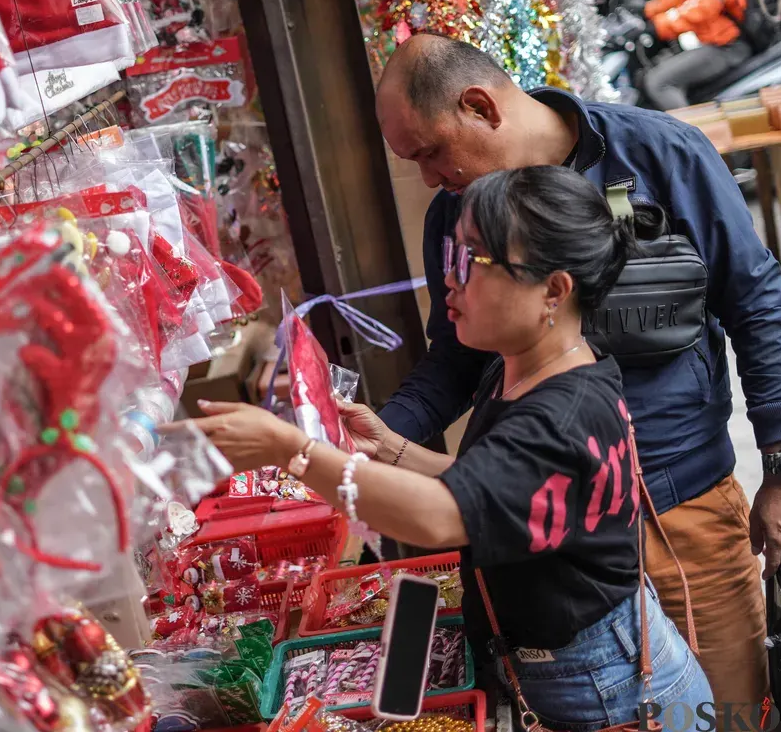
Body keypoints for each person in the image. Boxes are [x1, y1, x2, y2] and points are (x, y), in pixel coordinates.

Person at [164, 166, 713, 730]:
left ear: (554, 289)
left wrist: (295, 451)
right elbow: (498, 491)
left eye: (472, 262)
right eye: (454, 255)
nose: (448, 281)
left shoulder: (559, 415)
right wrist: (393, 448)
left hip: (606, 689)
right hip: (583, 668)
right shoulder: (529, 370)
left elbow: (441, 516)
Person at [372, 34, 781, 712]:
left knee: (728, 711)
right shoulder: (455, 219)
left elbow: (755, 303)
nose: (430, 177)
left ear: (480, 106)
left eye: (430, 151)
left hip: (682, 508)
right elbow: (454, 361)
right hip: (549, 547)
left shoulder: (659, 151)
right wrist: (379, 433)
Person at [641, 0, 752, 110]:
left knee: (657, 83)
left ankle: (691, 136)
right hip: (715, 42)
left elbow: (703, 7)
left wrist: (658, 26)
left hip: (728, 46)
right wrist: (647, 9)